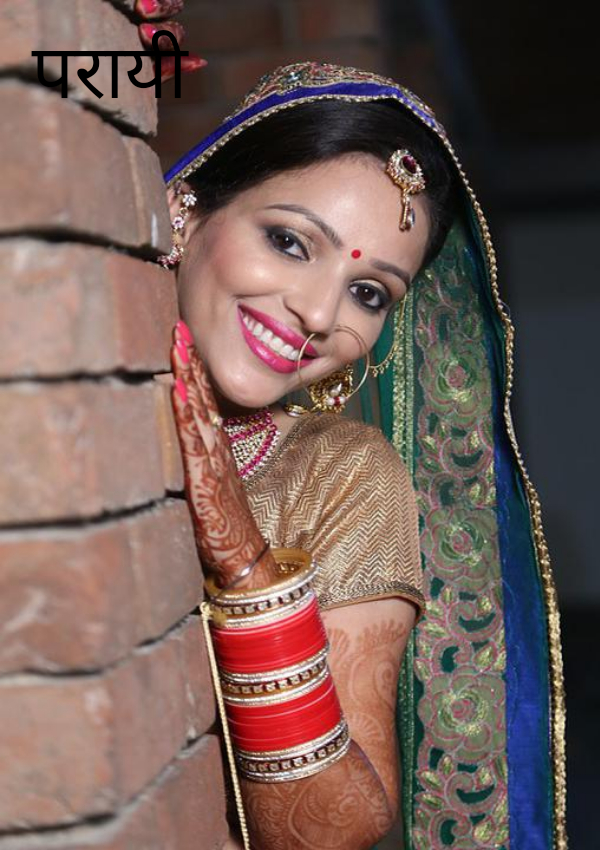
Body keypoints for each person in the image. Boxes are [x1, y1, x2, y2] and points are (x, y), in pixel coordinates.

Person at [138, 11, 566, 846]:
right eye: (291, 242)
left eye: (370, 294)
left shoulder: (343, 475)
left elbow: (334, 833)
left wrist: (246, 567)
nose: (318, 312)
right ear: (185, 210)